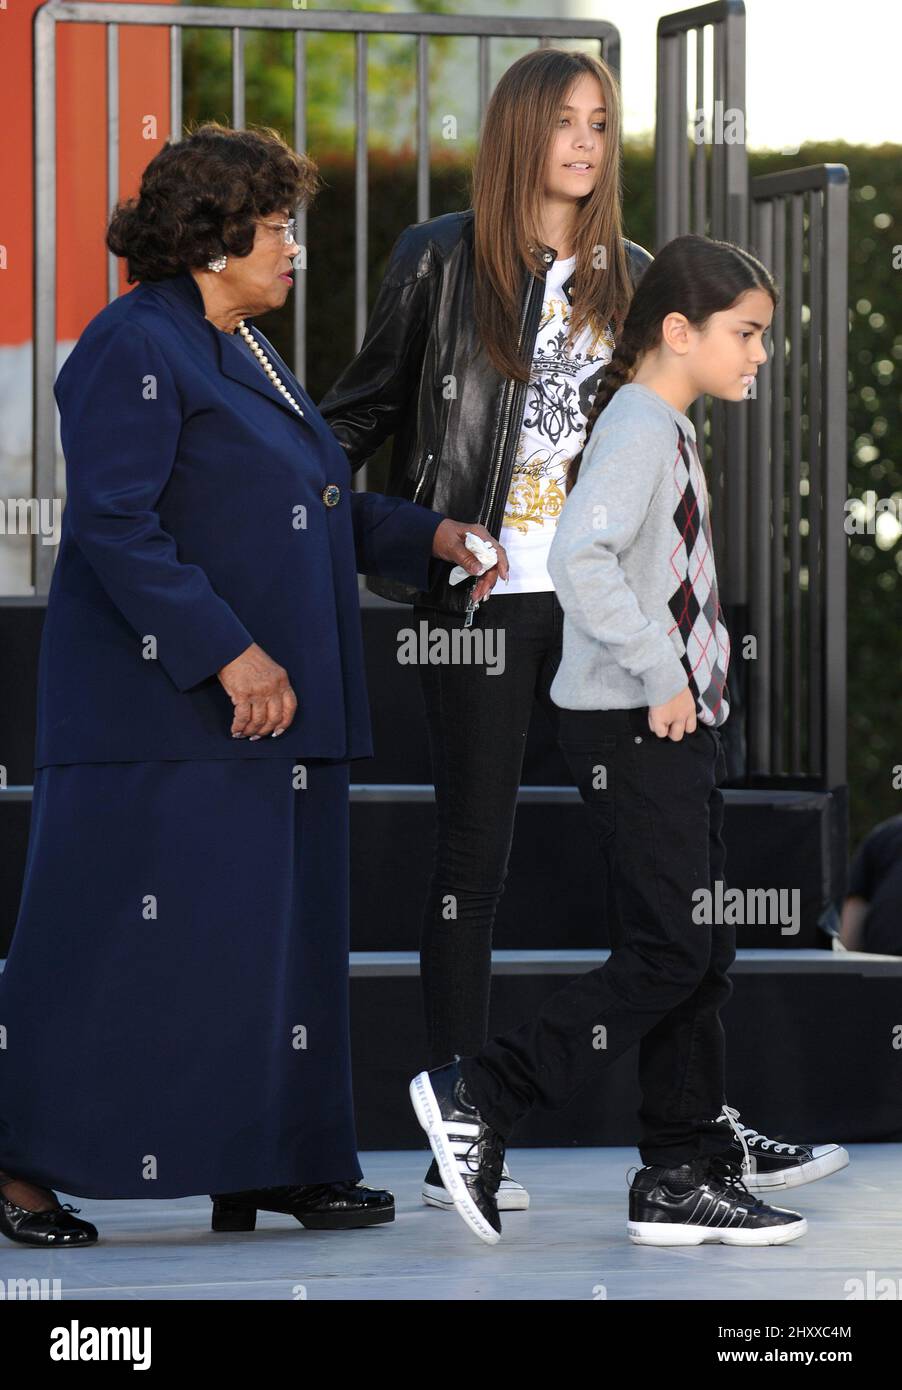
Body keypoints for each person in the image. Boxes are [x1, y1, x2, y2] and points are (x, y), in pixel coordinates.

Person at [321, 50, 847, 1212]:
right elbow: (349, 422)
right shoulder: (438, 257)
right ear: (518, 130)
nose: (584, 143)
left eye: (601, 123)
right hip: (488, 603)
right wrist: (416, 534)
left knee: (663, 883)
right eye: (562, 121)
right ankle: (460, 1135)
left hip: (608, 600)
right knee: (475, 864)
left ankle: (688, 1137)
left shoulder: (636, 275)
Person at [0, 121, 507, 1248]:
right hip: (163, 715)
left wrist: (431, 536)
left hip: (273, 720)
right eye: (278, 229)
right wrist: (228, 651)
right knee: (108, 945)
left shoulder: (247, 348)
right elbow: (113, 524)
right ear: (211, 237)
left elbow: (318, 503)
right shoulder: (135, 341)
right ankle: (21, 1170)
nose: (294, 250)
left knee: (268, 953)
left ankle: (271, 1162)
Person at [409, 232, 849, 1248]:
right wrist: (660, 670)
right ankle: (483, 1090)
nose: (756, 355)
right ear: (676, 330)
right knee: (668, 948)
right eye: (743, 335)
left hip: (667, 720)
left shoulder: (660, 423)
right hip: (630, 718)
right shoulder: (640, 429)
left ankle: (679, 1170)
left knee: (696, 951)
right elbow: (579, 555)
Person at [841, 816, 902, 955]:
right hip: (879, 967)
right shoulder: (887, 834)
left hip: (878, 968)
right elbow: (854, 908)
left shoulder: (886, 833)